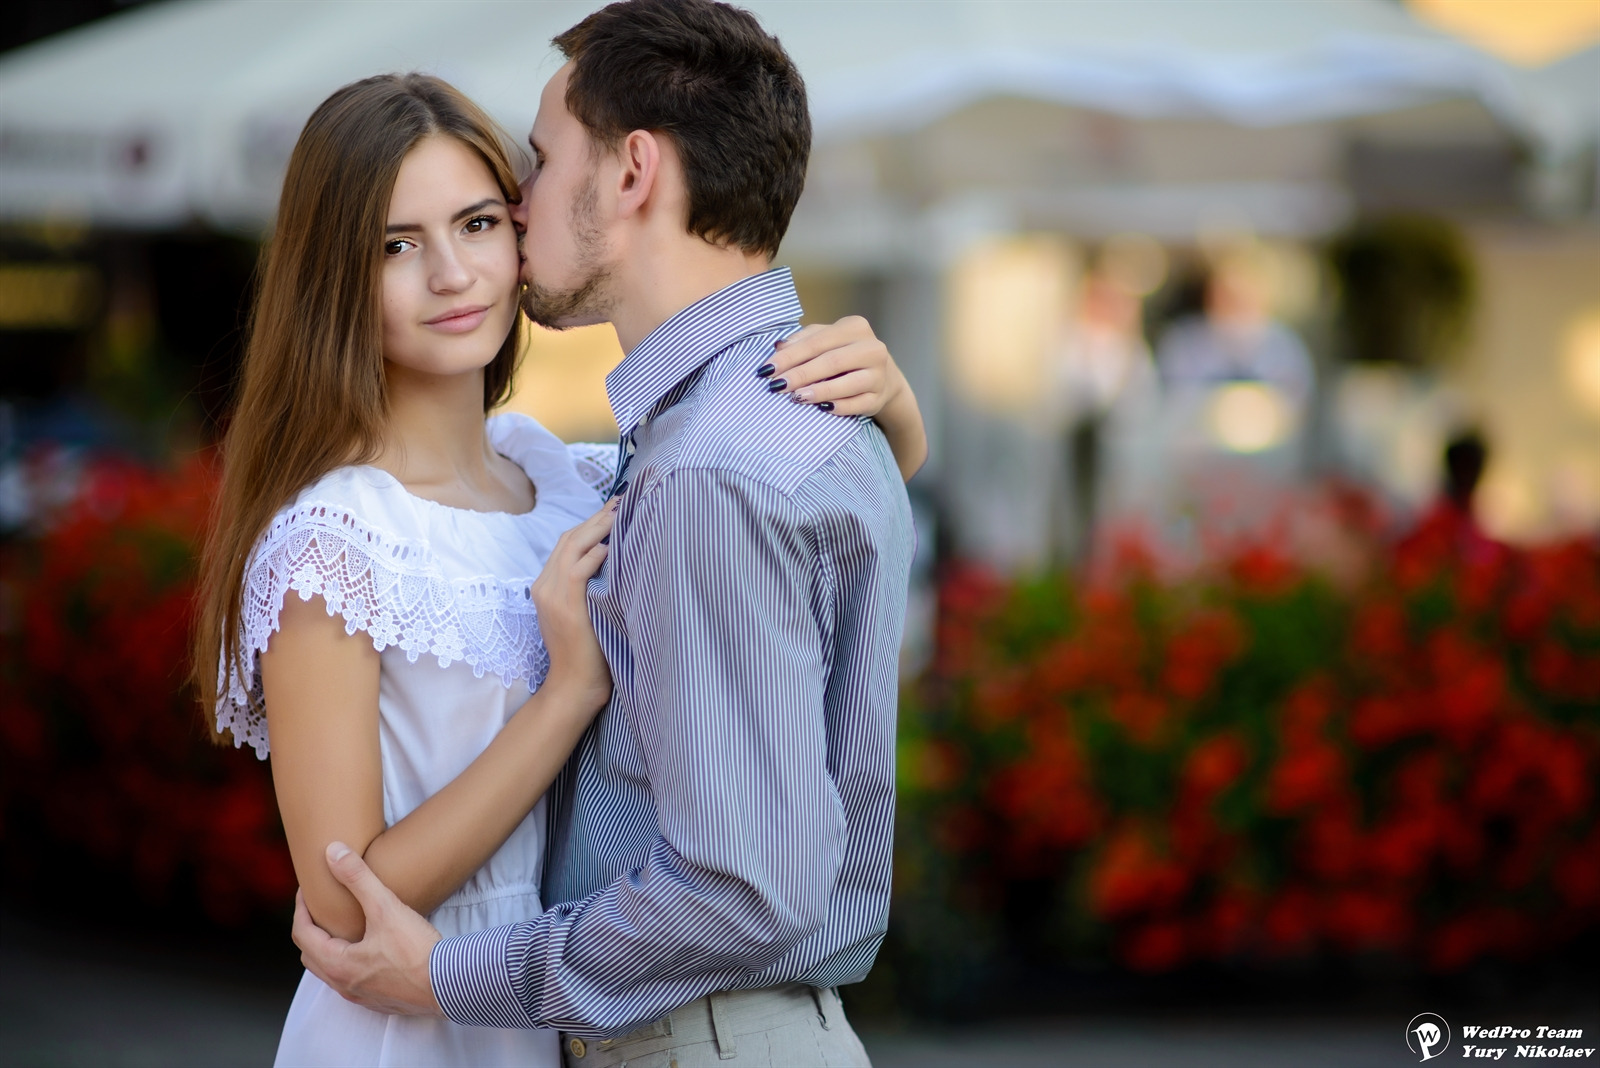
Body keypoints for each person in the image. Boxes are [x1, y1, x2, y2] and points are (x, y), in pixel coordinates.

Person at [192, 62, 923, 1068]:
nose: (451, 274)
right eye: (396, 246)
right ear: (334, 280)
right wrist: (564, 696)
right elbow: (338, 895)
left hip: (569, 1002)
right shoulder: (334, 541)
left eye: (479, 223)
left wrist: (889, 408)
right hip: (417, 1013)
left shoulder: (569, 477)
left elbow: (763, 521)